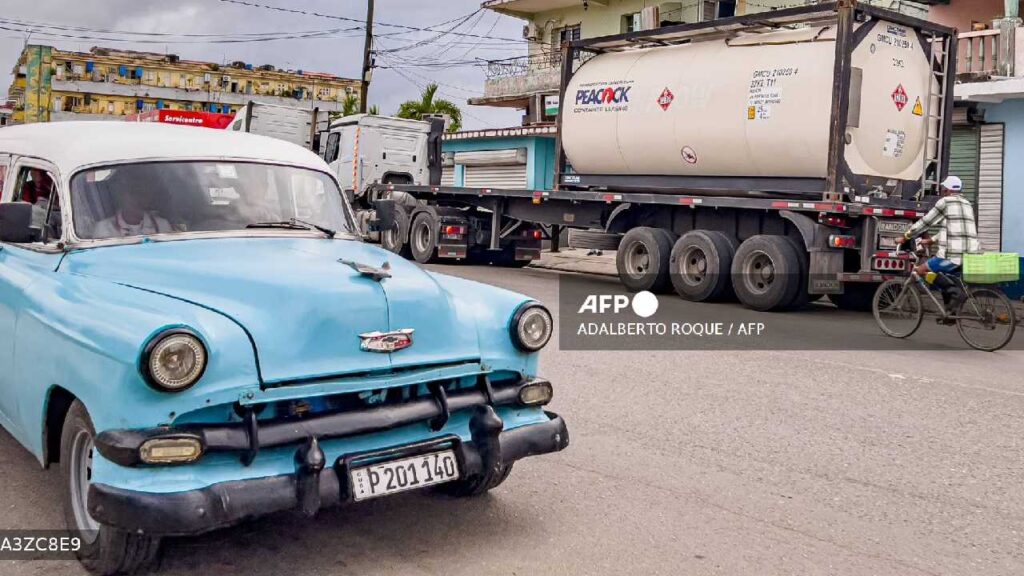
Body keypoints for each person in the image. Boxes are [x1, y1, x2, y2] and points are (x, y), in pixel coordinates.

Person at [902, 175, 980, 311]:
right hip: (971, 255)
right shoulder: (967, 204)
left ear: (947, 190)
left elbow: (926, 222)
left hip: (952, 256)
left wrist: (906, 236)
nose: (942, 192)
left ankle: (955, 293)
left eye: (943, 189)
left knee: (921, 270)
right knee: (944, 276)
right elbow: (953, 228)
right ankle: (951, 312)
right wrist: (931, 240)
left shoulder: (945, 202)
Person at [91, 182, 172, 238]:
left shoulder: (162, 225)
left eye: (141, 193)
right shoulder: (104, 228)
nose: (137, 199)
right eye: (132, 193)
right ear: (121, 197)